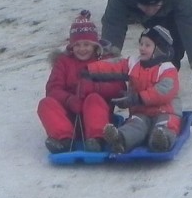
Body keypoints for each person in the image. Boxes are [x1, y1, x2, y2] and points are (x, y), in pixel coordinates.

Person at [36, 10, 126, 153]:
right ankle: (64, 139)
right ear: (71, 46)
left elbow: (118, 87)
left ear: (95, 45)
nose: (82, 49)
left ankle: (97, 139)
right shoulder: (63, 63)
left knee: (93, 98)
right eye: (77, 45)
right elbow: (53, 89)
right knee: (45, 103)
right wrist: (69, 99)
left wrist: (95, 87)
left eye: (86, 44)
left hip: (98, 117)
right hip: (70, 118)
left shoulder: (103, 62)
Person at [87, 25, 181, 153]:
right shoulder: (134, 63)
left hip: (165, 112)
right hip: (141, 112)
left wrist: (137, 98)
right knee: (135, 125)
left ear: (159, 49)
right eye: (141, 44)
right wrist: (89, 69)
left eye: (147, 45)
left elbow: (164, 91)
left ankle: (161, 141)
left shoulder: (167, 69)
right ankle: (119, 139)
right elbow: (114, 66)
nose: (142, 48)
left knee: (165, 125)